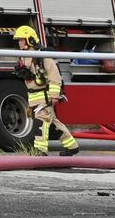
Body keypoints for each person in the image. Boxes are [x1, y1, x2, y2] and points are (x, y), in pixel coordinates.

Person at [13, 25, 78, 156]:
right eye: (18, 40)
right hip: (34, 98)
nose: (19, 43)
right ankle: (72, 146)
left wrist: (54, 95)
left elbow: (55, 77)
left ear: (29, 40)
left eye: (21, 40)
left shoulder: (43, 56)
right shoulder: (23, 57)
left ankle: (40, 150)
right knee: (53, 125)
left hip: (44, 97)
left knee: (40, 123)